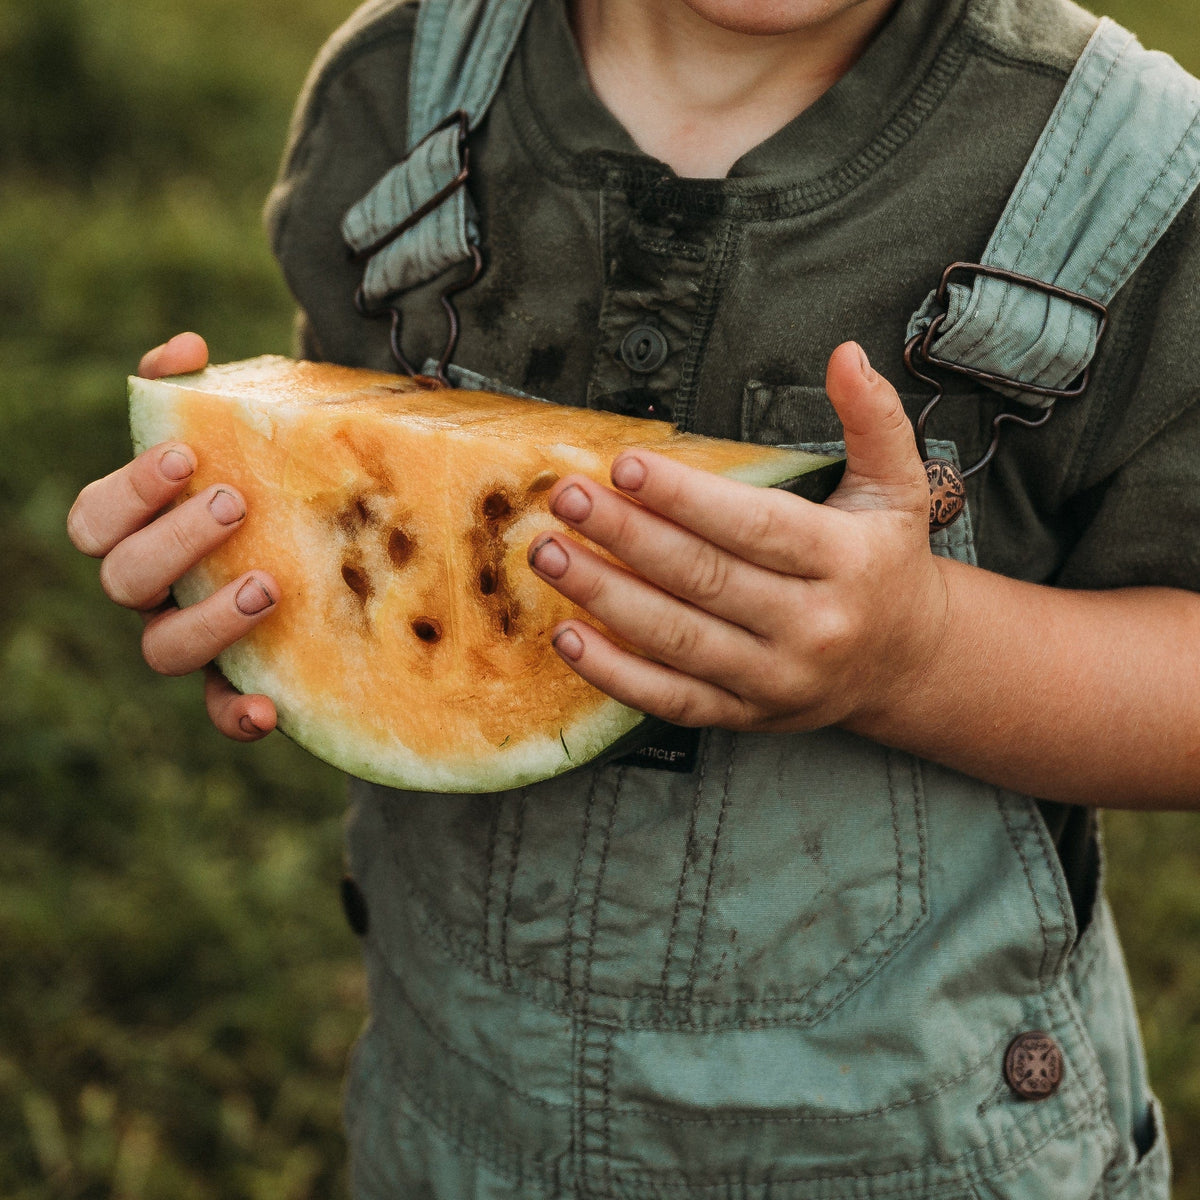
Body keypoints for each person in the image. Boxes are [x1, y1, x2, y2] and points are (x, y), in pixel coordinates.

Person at [68, 0, 1200, 1194]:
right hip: (454, 1127)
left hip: (926, 1151)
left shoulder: (1137, 181)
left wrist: (916, 655)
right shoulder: (399, 96)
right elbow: (373, 514)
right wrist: (252, 570)